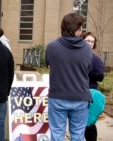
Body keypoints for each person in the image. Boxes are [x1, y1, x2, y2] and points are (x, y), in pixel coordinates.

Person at [45, 12, 92, 141]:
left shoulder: (52, 47)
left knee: (57, 134)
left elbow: (49, 65)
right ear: (77, 30)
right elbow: (88, 69)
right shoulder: (87, 49)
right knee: (78, 135)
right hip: (80, 97)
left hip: (57, 97)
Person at [82, 32, 105, 141]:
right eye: (87, 40)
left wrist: (87, 70)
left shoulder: (96, 60)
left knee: (89, 123)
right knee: (76, 122)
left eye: (92, 41)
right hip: (75, 92)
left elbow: (100, 76)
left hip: (90, 94)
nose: (90, 43)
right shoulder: (76, 55)